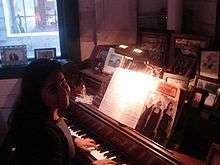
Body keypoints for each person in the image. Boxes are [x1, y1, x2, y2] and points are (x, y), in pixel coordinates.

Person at [0, 59, 116, 165]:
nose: (63, 92)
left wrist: (73, 140)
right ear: (36, 95)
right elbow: (49, 145)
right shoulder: (42, 133)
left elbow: (58, 134)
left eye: (63, 82)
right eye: (53, 89)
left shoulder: (44, 114)